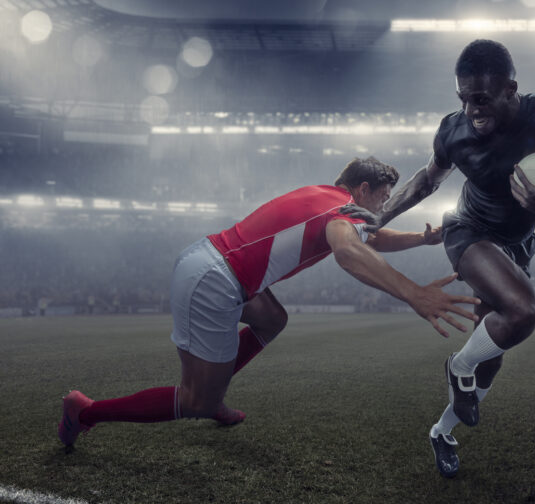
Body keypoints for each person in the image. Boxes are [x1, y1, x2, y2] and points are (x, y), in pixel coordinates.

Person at [57, 157, 480, 451]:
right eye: (384, 198)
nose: (386, 207)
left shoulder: (328, 196)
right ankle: (87, 411)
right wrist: (415, 292)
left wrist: (422, 238)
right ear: (363, 189)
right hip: (215, 282)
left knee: (273, 318)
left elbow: (370, 236)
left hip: (213, 263)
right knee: (194, 402)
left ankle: (214, 391)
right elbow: (349, 251)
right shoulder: (340, 212)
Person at [372, 39, 535, 478]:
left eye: (481, 100)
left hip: (516, 245)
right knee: (524, 310)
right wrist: (377, 216)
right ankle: (457, 365)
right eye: (463, 99)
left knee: (494, 353)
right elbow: (426, 182)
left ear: (510, 89)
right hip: (468, 230)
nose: (471, 110)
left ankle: (441, 432)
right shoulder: (453, 131)